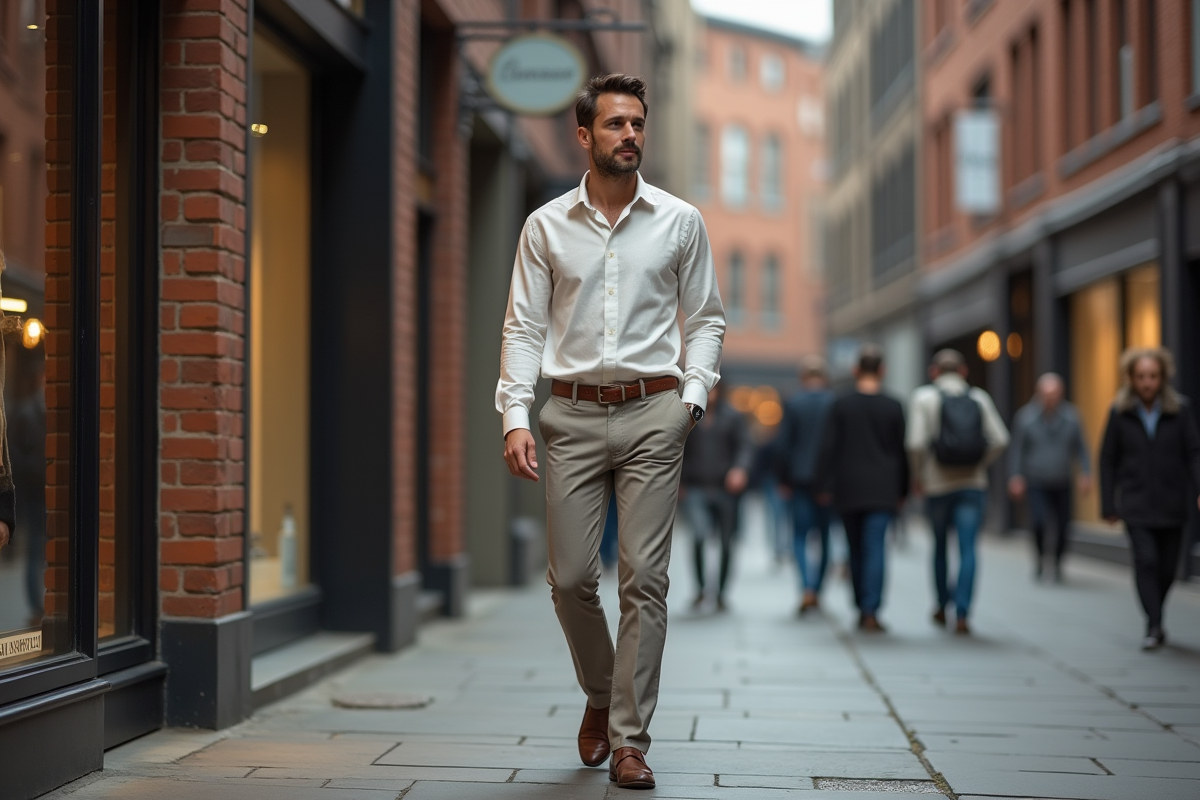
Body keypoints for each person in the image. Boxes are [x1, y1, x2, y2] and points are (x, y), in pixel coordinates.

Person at [497, 74, 724, 790]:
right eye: (616, 124)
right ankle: (601, 689)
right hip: (567, 414)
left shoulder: (681, 221)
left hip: (655, 411)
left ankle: (629, 738)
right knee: (568, 580)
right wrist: (513, 414)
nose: (630, 135)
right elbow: (524, 326)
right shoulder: (545, 227)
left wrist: (691, 397)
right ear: (584, 135)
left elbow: (707, 318)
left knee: (646, 581)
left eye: (638, 124)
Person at [1099, 347, 1200, 651]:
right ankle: (1154, 625)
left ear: (1163, 378)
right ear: (1131, 378)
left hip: (1172, 502)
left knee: (1168, 568)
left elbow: (1193, 452)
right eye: (1141, 376)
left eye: (1153, 376)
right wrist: (1108, 504)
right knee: (1146, 561)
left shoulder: (1180, 411)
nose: (1147, 383)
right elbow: (1108, 459)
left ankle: (1156, 616)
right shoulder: (1119, 412)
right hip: (1136, 503)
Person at [907, 349, 1009, 635]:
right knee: (968, 549)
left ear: (934, 372)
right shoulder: (979, 398)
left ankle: (942, 605)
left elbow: (915, 444)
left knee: (939, 547)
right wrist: (980, 462)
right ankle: (963, 613)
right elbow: (1000, 439)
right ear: (963, 371)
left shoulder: (924, 398)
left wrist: (919, 475)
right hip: (972, 484)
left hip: (937, 484)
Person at [816, 345, 907, 632]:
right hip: (883, 489)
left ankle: (860, 604)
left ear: (856, 370)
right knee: (875, 547)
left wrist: (822, 484)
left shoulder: (841, 404)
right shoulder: (894, 406)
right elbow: (900, 452)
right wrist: (903, 490)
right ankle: (872, 608)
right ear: (883, 370)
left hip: (848, 487)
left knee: (854, 547)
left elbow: (828, 448)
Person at [1007, 373, 1091, 582]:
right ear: (1038, 394)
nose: (1050, 398)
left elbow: (1081, 448)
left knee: (1063, 525)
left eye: (1054, 394)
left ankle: (1058, 562)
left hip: (1062, 479)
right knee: (1038, 522)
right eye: (1046, 394)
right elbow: (1017, 450)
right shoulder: (1025, 418)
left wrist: (1086, 473)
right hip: (1036, 479)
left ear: (1061, 394)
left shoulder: (1072, 417)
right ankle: (1040, 559)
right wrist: (1015, 476)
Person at [679, 382, 753, 612]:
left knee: (726, 541)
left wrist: (740, 469)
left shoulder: (732, 416)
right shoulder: (689, 416)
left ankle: (720, 593)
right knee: (699, 535)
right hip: (696, 487)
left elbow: (745, 447)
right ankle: (701, 590)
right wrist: (680, 481)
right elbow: (678, 448)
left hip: (725, 489)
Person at [775, 356, 834, 614]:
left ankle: (807, 587)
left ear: (803, 378)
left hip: (799, 479)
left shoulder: (793, 403)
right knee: (824, 537)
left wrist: (782, 479)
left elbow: (783, 445)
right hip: (827, 482)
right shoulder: (834, 403)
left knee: (799, 536)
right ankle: (817, 589)